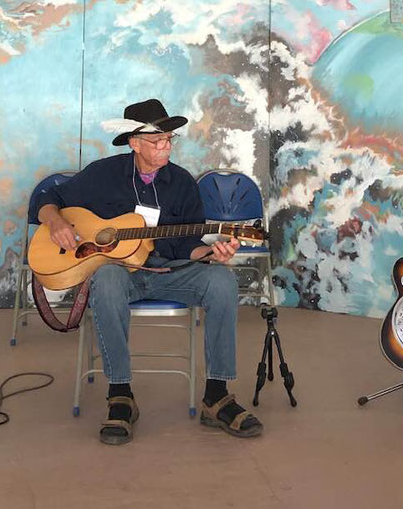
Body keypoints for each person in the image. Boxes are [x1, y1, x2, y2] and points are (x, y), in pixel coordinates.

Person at [36, 98, 263, 444]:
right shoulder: (103, 175)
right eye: (158, 141)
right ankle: (121, 394)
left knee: (221, 281)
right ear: (134, 143)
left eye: (170, 139)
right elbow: (47, 199)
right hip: (122, 273)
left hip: (170, 270)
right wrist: (55, 221)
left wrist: (213, 254)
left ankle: (216, 396)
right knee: (107, 281)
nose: (166, 147)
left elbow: (189, 243)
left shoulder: (183, 183)